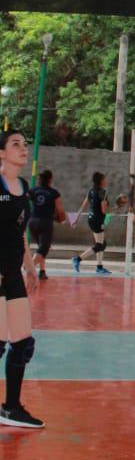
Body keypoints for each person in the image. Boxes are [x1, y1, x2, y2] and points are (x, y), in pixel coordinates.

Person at [0, 129, 42, 429]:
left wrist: (29, 265)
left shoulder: (24, 187)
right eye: (15, 144)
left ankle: (11, 408)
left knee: (23, 342)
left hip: (13, 272)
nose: (23, 148)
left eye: (25, 144)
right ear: (2, 153)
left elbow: (20, 231)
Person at [28, 168, 66, 280]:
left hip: (32, 221)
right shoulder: (54, 193)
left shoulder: (33, 190)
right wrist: (62, 220)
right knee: (43, 248)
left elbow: (23, 202)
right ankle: (29, 267)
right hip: (45, 222)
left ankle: (42, 271)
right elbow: (60, 211)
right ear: (50, 179)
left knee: (42, 246)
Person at [72, 171, 111, 275]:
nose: (106, 180)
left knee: (102, 243)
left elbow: (83, 206)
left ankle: (99, 267)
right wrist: (115, 208)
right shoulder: (103, 192)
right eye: (105, 179)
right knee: (99, 245)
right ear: (101, 181)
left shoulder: (91, 191)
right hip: (98, 220)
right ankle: (78, 259)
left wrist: (75, 218)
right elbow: (104, 211)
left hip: (91, 219)